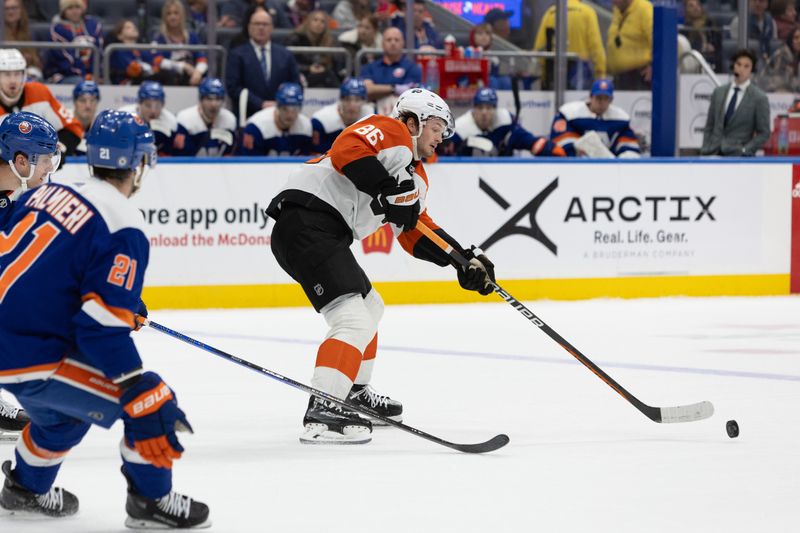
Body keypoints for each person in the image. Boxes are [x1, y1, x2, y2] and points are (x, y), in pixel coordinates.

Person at [0, 110, 210, 528]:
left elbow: (44, 273)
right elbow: (98, 330)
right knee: (151, 399)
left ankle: (25, 488)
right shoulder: (124, 224)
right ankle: (150, 503)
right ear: (139, 165)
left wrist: (115, 301)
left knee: (62, 416)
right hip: (29, 352)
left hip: (14, 340)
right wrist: (133, 384)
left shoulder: (46, 195)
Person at [266, 88, 495, 444]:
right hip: (306, 221)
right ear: (413, 121)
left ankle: (353, 391)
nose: (440, 137)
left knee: (370, 307)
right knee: (352, 320)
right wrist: (387, 188)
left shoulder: (415, 175)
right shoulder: (392, 132)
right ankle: (324, 407)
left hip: (324, 232)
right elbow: (347, 149)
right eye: (436, 127)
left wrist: (461, 260)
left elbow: (414, 229)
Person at [0, 48, 83, 156]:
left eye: (17, 74)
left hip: (38, 169)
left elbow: (73, 129)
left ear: (24, 75)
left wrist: (58, 150)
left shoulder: (39, 93)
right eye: (7, 74)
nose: (12, 80)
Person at [225, 6, 301, 119]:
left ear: (272, 28)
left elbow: (295, 84)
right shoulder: (237, 54)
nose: (261, 27)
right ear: (249, 27)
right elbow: (233, 88)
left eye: (265, 24)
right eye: (257, 24)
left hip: (280, 117)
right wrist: (260, 104)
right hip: (248, 117)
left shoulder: (285, 55)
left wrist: (280, 103)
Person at [445, 87, 565, 157]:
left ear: (495, 109)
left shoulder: (505, 123)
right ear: (473, 109)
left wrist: (552, 150)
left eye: (489, 107)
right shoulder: (460, 130)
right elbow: (443, 154)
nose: (484, 112)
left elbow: (530, 141)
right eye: (480, 108)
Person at [701, 49, 770, 156]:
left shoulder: (759, 98)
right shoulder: (718, 92)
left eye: (746, 66)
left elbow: (764, 132)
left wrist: (746, 150)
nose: (742, 69)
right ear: (734, 65)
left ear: (752, 70)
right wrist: (706, 148)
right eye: (739, 64)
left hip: (738, 156)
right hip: (712, 153)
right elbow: (710, 125)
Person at [549, 79, 641, 158]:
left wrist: (623, 160)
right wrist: (575, 154)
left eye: (606, 99)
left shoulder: (621, 119)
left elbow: (629, 148)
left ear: (611, 100)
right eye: (598, 98)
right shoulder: (569, 114)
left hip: (609, 169)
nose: (602, 102)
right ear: (590, 97)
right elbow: (561, 144)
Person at [533, 0, 606, 90]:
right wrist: (601, 74)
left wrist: (543, 75)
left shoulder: (551, 12)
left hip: (554, 69)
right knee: (578, 102)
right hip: (579, 71)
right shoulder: (587, 12)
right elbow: (596, 47)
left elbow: (539, 48)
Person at [238, 82, 313, 156]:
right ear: (277, 107)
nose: (290, 115)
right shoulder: (256, 127)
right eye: (285, 109)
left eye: (295, 109)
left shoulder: (305, 126)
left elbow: (305, 160)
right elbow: (250, 163)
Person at [173, 77, 237, 156]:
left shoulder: (229, 120)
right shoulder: (185, 119)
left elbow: (229, 154)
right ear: (201, 99)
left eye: (218, 99)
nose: (214, 104)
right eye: (209, 99)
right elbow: (181, 157)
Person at [151, 0, 208, 87]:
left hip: (191, 78)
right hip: (168, 80)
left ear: (182, 16)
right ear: (164, 17)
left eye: (176, 13)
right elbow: (157, 61)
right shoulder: (158, 38)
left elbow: (202, 59)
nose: (172, 17)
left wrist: (198, 72)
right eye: (168, 14)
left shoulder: (192, 36)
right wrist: (182, 66)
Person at [44, 0, 103, 84]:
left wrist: (95, 73)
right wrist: (84, 75)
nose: (74, 11)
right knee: (79, 82)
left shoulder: (93, 25)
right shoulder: (57, 30)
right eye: (70, 8)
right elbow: (63, 60)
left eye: (77, 7)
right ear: (63, 11)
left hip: (91, 74)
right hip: (64, 74)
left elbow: (99, 52)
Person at [311, 78, 373, 153]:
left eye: (357, 100)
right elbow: (315, 154)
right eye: (347, 99)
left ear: (364, 101)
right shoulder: (322, 119)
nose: (352, 105)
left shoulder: (371, 116)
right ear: (341, 100)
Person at [285, 9, 344, 88]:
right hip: (302, 74)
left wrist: (324, 68)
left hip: (323, 76)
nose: (318, 24)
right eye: (315, 20)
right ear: (308, 22)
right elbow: (289, 63)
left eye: (322, 21)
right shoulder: (294, 39)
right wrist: (308, 68)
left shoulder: (330, 42)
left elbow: (335, 64)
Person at [361, 27, 422, 102]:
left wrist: (378, 90)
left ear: (403, 43)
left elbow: (409, 94)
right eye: (389, 40)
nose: (393, 43)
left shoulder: (412, 68)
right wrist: (394, 88)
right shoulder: (370, 67)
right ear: (382, 44)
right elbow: (368, 90)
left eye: (397, 40)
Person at [120, 81, 177, 156]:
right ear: (139, 103)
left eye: (157, 106)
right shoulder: (125, 116)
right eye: (148, 105)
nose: (153, 111)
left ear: (163, 105)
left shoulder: (170, 120)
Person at [606, 0, 653, 90]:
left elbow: (659, 40)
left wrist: (654, 66)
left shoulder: (645, 9)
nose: (613, 2)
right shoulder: (618, 10)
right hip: (618, 79)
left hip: (639, 79)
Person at [106, 20, 158, 86]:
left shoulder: (143, 50)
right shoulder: (117, 51)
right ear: (119, 36)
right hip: (125, 84)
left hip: (145, 81)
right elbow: (128, 69)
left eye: (134, 26)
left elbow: (153, 64)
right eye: (128, 27)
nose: (133, 28)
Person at [4, 0, 43, 81]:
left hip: (26, 71)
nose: (10, 12)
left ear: (21, 10)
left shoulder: (28, 32)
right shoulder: (1, 33)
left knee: (35, 76)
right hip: (5, 72)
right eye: (6, 9)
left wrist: (30, 59)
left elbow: (35, 60)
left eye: (14, 8)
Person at [680, 0, 723, 73]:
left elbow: (717, 42)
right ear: (686, 10)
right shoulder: (685, 29)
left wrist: (712, 46)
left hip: (712, 62)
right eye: (691, 6)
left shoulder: (710, 23)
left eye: (698, 5)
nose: (696, 8)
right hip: (693, 63)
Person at [762, 27, 800, 92]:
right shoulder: (782, 54)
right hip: (771, 88)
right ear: (790, 40)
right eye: (796, 38)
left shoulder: (797, 57)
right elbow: (780, 80)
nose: (799, 41)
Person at [71, 79, 99, 154]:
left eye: (92, 100)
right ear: (75, 102)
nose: (88, 106)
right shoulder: (63, 125)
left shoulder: (102, 127)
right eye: (82, 100)